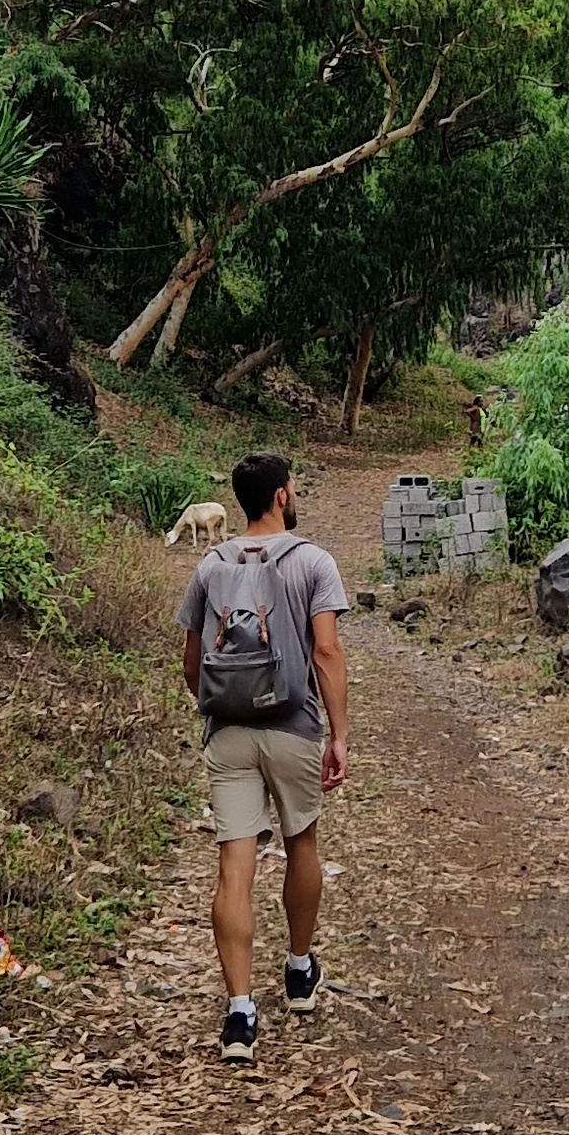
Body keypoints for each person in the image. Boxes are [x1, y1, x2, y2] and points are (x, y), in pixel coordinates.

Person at [176, 451, 349, 1064]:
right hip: (293, 726)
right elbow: (325, 652)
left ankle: (240, 1015)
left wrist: (219, 706)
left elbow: (193, 663)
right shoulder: (313, 562)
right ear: (281, 496)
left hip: (228, 730)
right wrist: (338, 733)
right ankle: (299, 970)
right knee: (302, 841)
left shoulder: (209, 564)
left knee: (234, 864)